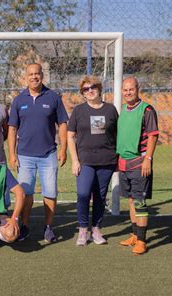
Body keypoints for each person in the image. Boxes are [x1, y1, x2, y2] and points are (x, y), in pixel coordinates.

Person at [8, 63, 69, 243]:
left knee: (50, 193)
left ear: (42, 75)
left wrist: (63, 148)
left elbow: (63, 124)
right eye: (31, 74)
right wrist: (12, 154)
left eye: (37, 74)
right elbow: (12, 129)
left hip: (48, 154)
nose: (34, 77)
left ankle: (48, 228)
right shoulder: (19, 100)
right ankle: (25, 227)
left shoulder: (53, 97)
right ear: (25, 77)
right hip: (24, 156)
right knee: (25, 194)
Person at [67, 76, 118, 246]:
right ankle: (83, 230)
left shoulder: (111, 110)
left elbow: (119, 135)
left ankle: (96, 229)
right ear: (82, 93)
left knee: (100, 196)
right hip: (85, 161)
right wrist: (75, 160)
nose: (90, 91)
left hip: (106, 161)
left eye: (92, 87)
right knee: (83, 194)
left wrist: (118, 158)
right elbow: (70, 136)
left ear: (99, 88)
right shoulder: (78, 111)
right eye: (85, 89)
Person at [117, 77, 159, 255]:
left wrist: (148, 159)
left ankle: (142, 241)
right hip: (124, 164)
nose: (128, 93)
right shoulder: (124, 110)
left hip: (139, 164)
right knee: (132, 201)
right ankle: (135, 235)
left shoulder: (147, 110)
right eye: (125, 90)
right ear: (121, 91)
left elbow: (153, 136)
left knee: (140, 202)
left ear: (137, 89)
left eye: (131, 90)